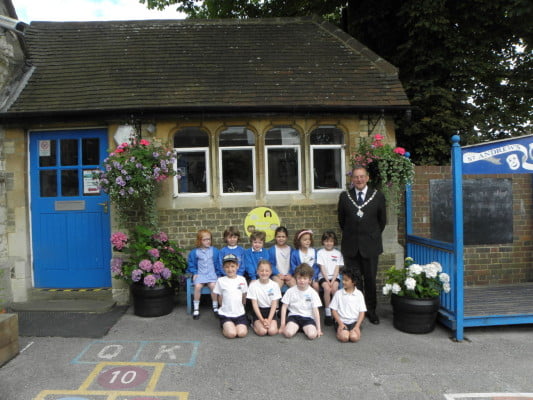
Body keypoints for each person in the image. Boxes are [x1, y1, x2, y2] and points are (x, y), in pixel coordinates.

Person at [338, 165, 386, 325]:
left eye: (362, 176)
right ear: (352, 179)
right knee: (353, 280)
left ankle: (371, 311)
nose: (359, 180)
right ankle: (354, 311)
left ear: (367, 178)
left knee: (370, 280)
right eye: (356, 177)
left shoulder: (377, 196)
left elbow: (382, 221)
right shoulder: (345, 197)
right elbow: (342, 222)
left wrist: (370, 235)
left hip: (370, 246)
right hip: (351, 246)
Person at [279, 263, 323, 340]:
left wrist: (319, 329)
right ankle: (296, 327)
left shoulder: (313, 293)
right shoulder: (290, 291)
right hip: (294, 316)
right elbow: (284, 307)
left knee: (312, 335)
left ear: (310, 280)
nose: (302, 281)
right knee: (288, 333)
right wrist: (282, 325)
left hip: (308, 318)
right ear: (295, 278)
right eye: (299, 278)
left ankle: (304, 328)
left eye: (305, 278)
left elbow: (316, 311)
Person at [187, 229, 221, 320]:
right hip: (201, 274)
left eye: (209, 239)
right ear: (200, 240)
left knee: (213, 286)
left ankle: (215, 307)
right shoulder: (195, 252)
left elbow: (218, 263)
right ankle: (196, 308)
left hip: (211, 274)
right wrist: (194, 272)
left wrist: (218, 274)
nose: (207, 241)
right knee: (197, 286)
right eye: (205, 239)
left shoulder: (215, 251)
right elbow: (191, 263)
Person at [213, 254, 249, 339]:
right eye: (227, 267)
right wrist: (224, 307)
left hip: (239, 313)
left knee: (242, 333)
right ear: (223, 268)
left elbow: (244, 295)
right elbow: (219, 297)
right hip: (226, 314)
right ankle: (225, 326)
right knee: (231, 334)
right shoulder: (221, 280)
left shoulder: (242, 279)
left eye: (233, 266)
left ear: (237, 266)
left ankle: (235, 325)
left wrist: (242, 306)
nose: (230, 269)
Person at [330, 268, 366, 342]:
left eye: (346, 280)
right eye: (343, 279)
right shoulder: (338, 293)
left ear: (354, 282)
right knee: (344, 338)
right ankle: (341, 332)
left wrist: (357, 326)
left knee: (354, 338)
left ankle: (352, 331)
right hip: (342, 321)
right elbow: (333, 310)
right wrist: (340, 323)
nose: (343, 282)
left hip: (354, 322)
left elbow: (362, 312)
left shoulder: (359, 294)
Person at [246, 259, 282, 336]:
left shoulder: (275, 285)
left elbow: (274, 305)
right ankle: (253, 323)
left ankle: (269, 323)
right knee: (262, 332)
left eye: (267, 271)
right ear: (257, 271)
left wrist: (269, 320)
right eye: (261, 271)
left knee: (272, 331)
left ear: (271, 272)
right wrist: (262, 320)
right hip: (258, 311)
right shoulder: (253, 285)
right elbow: (255, 305)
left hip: (270, 311)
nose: (264, 273)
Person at [316, 230, 344, 326]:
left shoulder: (338, 253)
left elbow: (337, 268)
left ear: (334, 242)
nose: (329, 243)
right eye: (326, 241)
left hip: (335, 276)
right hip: (323, 276)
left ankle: (335, 311)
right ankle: (328, 313)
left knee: (335, 288)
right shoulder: (320, 252)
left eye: (331, 241)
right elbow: (322, 267)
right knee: (327, 288)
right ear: (323, 242)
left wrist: (333, 280)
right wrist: (327, 280)